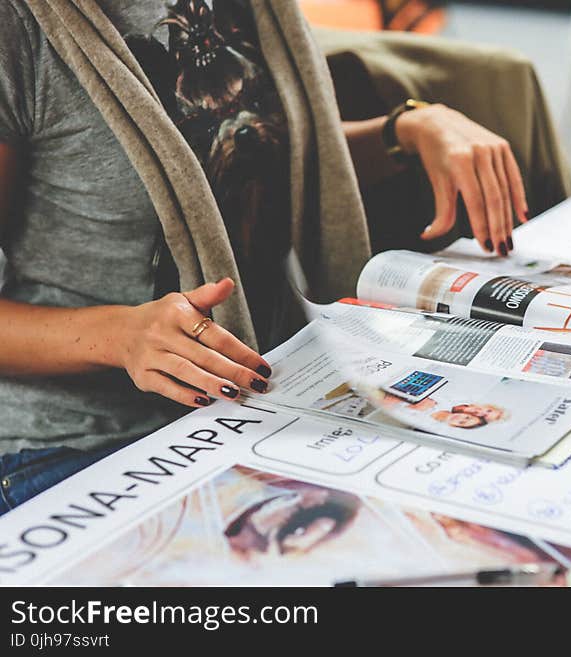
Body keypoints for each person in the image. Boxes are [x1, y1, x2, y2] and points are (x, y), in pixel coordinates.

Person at [0, 0, 533, 515]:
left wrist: (406, 132)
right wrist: (120, 335)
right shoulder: (18, 26)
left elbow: (249, 158)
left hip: (267, 394)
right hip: (83, 444)